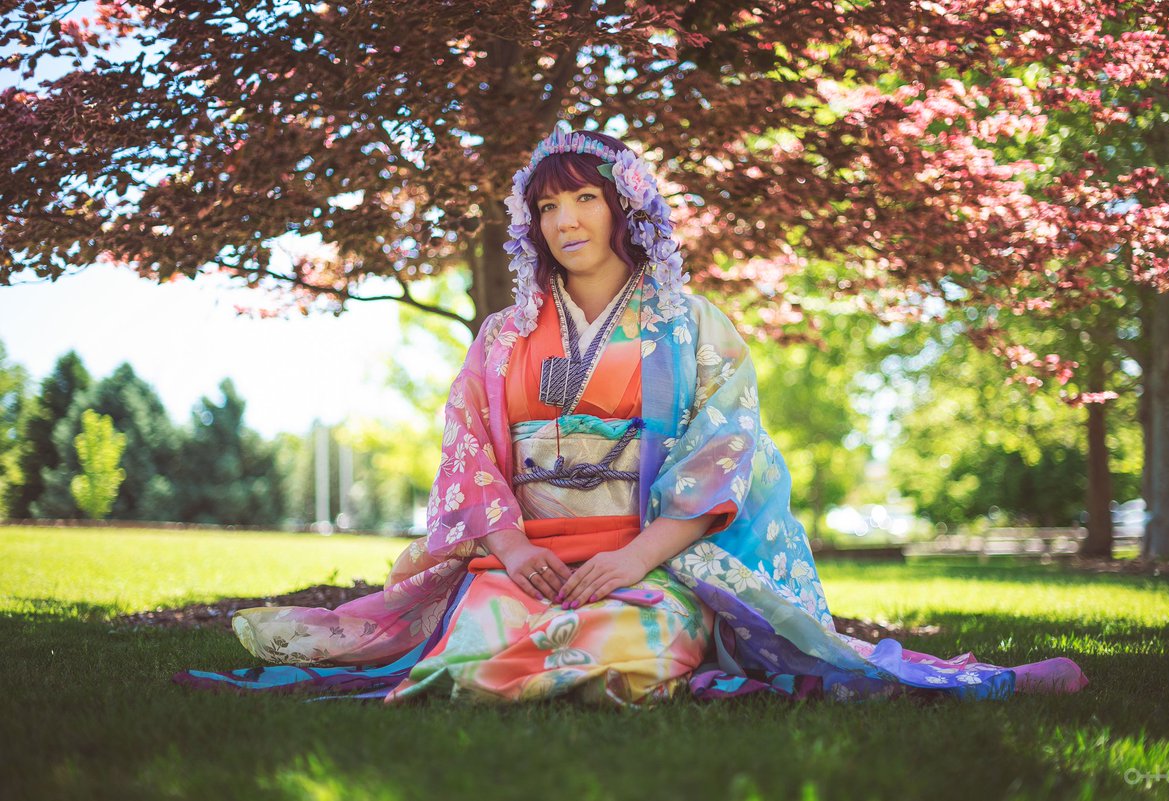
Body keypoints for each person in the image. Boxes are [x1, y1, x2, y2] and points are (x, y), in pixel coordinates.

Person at [175, 127, 1088, 705]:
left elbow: (723, 455)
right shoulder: (501, 335)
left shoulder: (693, 326)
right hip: (528, 559)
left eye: (586, 197)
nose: (565, 219)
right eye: (547, 205)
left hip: (645, 557)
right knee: (478, 646)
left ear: (626, 208)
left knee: (634, 651)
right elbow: (469, 454)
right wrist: (515, 549)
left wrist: (633, 557)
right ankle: (514, 640)